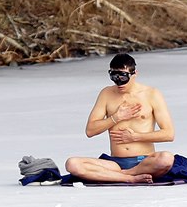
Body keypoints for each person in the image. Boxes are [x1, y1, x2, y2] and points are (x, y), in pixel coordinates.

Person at [65, 53, 175, 184]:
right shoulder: (106, 93)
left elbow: (169, 134)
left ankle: (122, 174)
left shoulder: (152, 94)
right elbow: (90, 130)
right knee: (72, 164)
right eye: (114, 77)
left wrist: (135, 137)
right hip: (115, 163)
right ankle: (128, 177)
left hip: (144, 161)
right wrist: (116, 117)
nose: (119, 82)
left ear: (134, 74)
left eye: (123, 77)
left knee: (166, 159)